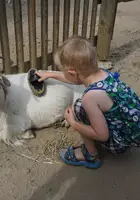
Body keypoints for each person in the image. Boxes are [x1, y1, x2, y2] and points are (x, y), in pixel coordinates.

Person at [35, 35, 140, 169]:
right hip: (132, 128)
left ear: (72, 72)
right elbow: (76, 79)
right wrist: (51, 75)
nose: (60, 72)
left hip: (121, 143)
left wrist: (73, 123)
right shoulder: (102, 74)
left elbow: (102, 136)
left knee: (78, 109)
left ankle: (91, 156)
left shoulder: (90, 98)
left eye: (62, 70)